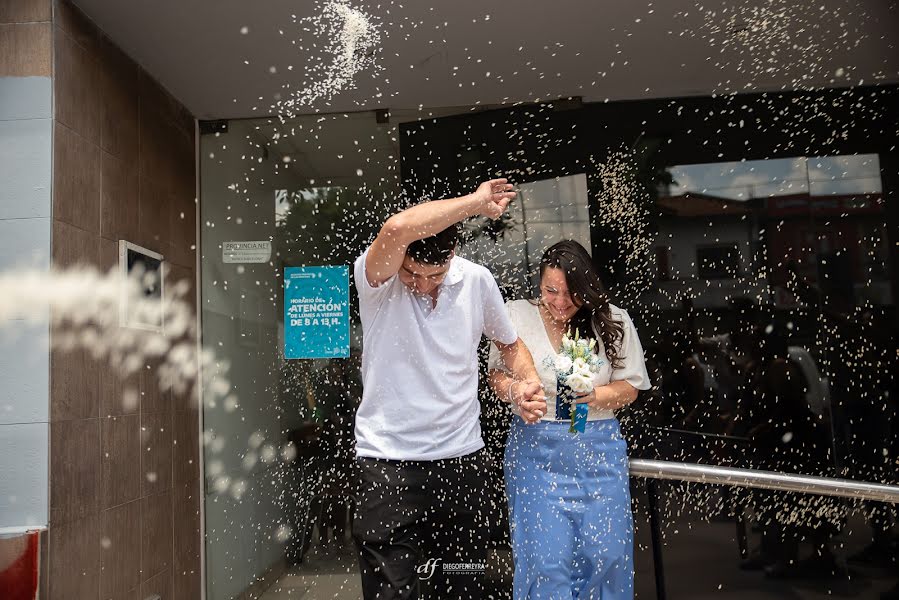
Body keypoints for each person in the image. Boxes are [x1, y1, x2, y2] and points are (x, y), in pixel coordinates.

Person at [352, 178, 547, 600]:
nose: (421, 285)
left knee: (465, 587)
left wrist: (526, 384)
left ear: (453, 256)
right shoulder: (377, 280)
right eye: (413, 273)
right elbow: (395, 229)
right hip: (388, 466)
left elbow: (510, 345)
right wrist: (476, 203)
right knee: (391, 593)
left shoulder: (477, 281)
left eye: (434, 276)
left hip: (461, 465)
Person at [487, 240, 651, 599]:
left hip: (599, 450)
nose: (560, 302)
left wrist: (596, 396)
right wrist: (516, 391)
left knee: (605, 555)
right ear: (540, 284)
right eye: (551, 290)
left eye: (571, 293)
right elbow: (496, 375)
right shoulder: (515, 315)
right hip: (537, 453)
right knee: (547, 562)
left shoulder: (613, 318)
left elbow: (632, 388)